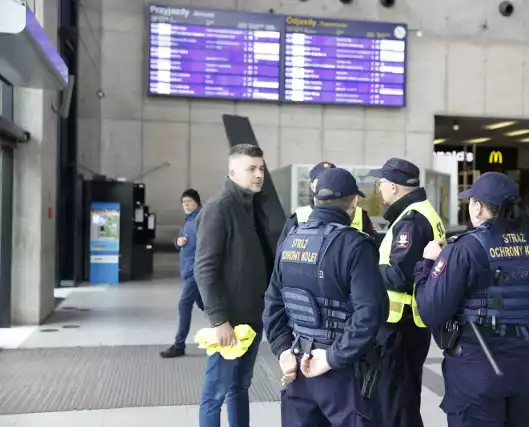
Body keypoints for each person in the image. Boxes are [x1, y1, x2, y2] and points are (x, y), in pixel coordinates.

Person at [414, 172, 529, 427]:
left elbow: (430, 311)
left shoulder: (465, 248)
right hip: (526, 368)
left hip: (477, 369)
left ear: (478, 207)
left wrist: (429, 264)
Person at [263, 168, 388, 427]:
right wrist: (331, 358)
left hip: (298, 364)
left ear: (316, 199)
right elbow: (371, 312)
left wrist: (283, 350)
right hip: (343, 372)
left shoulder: (290, 239)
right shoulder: (356, 245)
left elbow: (273, 305)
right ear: (353, 203)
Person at [195, 144, 277, 427]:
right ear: (232, 172)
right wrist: (219, 320)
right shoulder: (219, 208)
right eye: (251, 169)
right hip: (230, 322)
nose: (258, 175)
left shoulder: (253, 207)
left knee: (240, 387)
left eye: (261, 169)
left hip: (253, 317)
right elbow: (204, 269)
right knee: (214, 393)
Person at [369, 157, 446, 427]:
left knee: (396, 401)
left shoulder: (411, 221)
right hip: (410, 323)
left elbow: (401, 276)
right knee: (403, 398)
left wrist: (368, 269)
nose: (379, 189)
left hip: (400, 324)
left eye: (381, 183)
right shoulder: (421, 212)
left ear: (394, 186)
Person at [278, 161, 376, 246]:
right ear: (312, 186)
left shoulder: (360, 214)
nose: (326, 182)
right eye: (320, 179)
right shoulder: (298, 216)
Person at [160, 189, 204, 358]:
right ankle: (229, 334)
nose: (185, 205)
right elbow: (180, 239)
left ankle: (179, 345)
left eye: (188, 201)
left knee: (184, 304)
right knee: (207, 305)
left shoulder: (201, 219)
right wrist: (178, 242)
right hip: (187, 271)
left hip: (196, 271)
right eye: (183, 202)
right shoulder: (189, 220)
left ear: (197, 202)